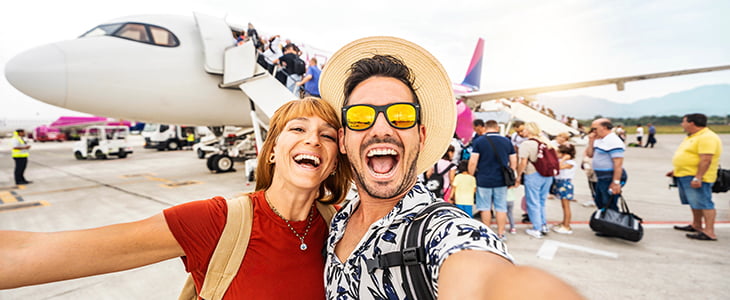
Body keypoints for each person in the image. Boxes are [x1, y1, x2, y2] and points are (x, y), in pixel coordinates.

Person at [0, 98, 354, 298]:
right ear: (271, 150)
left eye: (326, 135)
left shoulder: (343, 225)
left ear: (334, 160)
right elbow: (29, 253)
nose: (313, 140)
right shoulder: (215, 222)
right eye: (298, 129)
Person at [318, 36, 581, 299]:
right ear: (342, 139)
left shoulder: (442, 230)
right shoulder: (339, 220)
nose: (382, 129)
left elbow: (485, 276)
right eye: (360, 117)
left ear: (421, 136)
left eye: (401, 115)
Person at [667, 113, 722, 241]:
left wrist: (698, 177)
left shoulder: (707, 137)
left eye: (683, 122)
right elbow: (689, 156)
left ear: (691, 123)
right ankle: (696, 225)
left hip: (697, 177)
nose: (682, 124)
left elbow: (706, 159)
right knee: (695, 202)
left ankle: (709, 232)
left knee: (704, 202)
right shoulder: (693, 136)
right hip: (685, 174)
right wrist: (677, 170)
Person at [468, 119, 516, 240]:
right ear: (497, 128)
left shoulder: (479, 141)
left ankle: (487, 233)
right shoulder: (507, 141)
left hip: (483, 179)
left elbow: (473, 161)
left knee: (484, 207)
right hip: (501, 180)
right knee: (501, 207)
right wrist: (511, 175)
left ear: (485, 127)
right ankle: (501, 233)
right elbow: (513, 161)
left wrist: (471, 175)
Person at [515, 122, 554, 238]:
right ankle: (543, 225)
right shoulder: (546, 142)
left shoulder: (526, 144)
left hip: (533, 174)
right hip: (547, 175)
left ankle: (537, 228)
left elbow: (523, 162)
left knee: (532, 202)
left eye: (525, 130)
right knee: (541, 201)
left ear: (529, 131)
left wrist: (518, 176)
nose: (523, 132)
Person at [586, 118, 626, 211]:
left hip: (610, 176)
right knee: (599, 201)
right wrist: (591, 141)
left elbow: (618, 164)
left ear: (604, 127)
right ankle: (606, 221)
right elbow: (590, 154)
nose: (593, 131)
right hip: (602, 177)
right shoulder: (599, 140)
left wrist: (616, 182)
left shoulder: (613, 141)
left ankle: (613, 222)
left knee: (608, 203)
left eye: (595, 129)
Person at [552, 144, 577, 234]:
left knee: (566, 206)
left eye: (559, 153)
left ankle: (567, 225)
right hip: (559, 183)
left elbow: (557, 168)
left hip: (565, 184)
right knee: (563, 205)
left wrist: (564, 159)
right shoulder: (561, 161)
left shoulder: (570, 163)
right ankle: (564, 222)